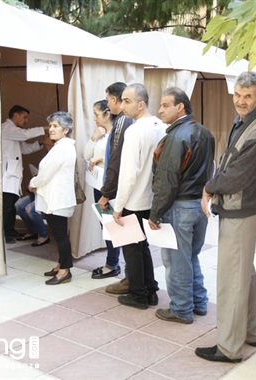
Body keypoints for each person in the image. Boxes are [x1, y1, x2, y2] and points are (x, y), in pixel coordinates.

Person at [195, 72, 256, 363]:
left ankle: (229, 347)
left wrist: (209, 187)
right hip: (237, 207)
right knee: (244, 272)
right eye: (238, 95)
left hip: (240, 208)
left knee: (232, 277)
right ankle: (249, 331)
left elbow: (239, 173)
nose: (241, 101)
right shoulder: (247, 121)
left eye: (248, 96)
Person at [148, 87, 215, 324]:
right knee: (190, 257)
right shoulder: (206, 132)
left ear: (180, 107)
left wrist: (155, 214)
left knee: (176, 260)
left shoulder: (176, 136)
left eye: (165, 105)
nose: (160, 110)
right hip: (201, 205)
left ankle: (181, 309)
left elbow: (167, 179)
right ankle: (199, 302)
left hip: (180, 206)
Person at [112, 83, 166, 310]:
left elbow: (128, 173)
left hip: (134, 199)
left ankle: (138, 295)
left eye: (127, 101)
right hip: (152, 198)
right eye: (122, 100)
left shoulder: (134, 130)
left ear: (141, 104)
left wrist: (118, 206)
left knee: (132, 250)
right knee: (142, 247)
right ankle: (150, 291)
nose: (123, 105)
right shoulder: (162, 127)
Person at [29, 111, 77, 285]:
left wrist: (34, 181)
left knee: (61, 236)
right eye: (50, 126)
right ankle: (60, 265)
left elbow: (45, 173)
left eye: (55, 126)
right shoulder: (64, 146)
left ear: (66, 130)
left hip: (57, 199)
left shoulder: (62, 148)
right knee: (60, 234)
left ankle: (64, 271)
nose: (51, 129)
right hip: (57, 197)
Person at [98, 82, 135, 293]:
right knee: (134, 242)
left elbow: (116, 161)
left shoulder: (122, 122)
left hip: (124, 191)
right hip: (130, 190)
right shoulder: (133, 122)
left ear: (115, 100)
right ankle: (135, 282)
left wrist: (106, 193)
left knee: (130, 241)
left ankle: (132, 283)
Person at [84, 99, 121, 279]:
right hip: (98, 184)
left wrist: (101, 159)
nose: (95, 119)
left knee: (113, 225)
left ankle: (112, 264)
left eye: (97, 115)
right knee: (105, 225)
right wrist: (93, 138)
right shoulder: (102, 135)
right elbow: (85, 155)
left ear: (107, 114)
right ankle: (112, 262)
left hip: (111, 187)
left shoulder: (117, 134)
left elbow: (118, 161)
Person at [1, 105, 47, 244]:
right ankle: (7, 233)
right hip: (6, 175)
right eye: (24, 117)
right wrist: (45, 128)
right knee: (7, 206)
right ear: (15, 115)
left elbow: (25, 149)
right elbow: (26, 134)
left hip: (12, 175)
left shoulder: (15, 132)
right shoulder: (7, 128)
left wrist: (39, 142)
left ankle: (10, 231)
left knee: (10, 205)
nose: (26, 121)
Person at [15, 134, 55, 247]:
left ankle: (43, 235)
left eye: (48, 136)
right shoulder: (46, 154)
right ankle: (32, 230)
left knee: (30, 208)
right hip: (38, 190)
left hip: (46, 192)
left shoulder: (54, 155)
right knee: (19, 205)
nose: (45, 136)